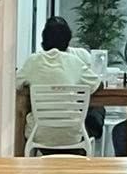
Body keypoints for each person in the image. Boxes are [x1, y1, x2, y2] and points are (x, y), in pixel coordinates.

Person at [15, 15, 104, 152]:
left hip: (38, 135)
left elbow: (15, 83)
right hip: (71, 137)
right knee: (98, 109)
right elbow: (98, 85)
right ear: (68, 40)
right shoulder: (75, 62)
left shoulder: (32, 62)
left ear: (43, 39)